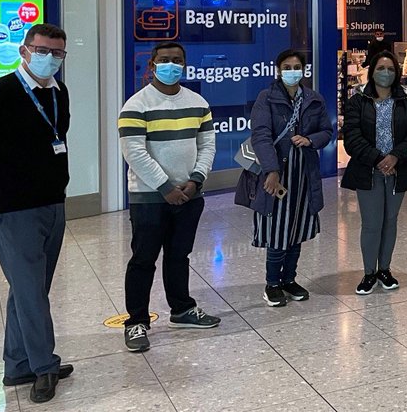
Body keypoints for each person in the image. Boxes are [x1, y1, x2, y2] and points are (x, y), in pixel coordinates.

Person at [0, 24, 74, 403]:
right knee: (31, 292)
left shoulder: (58, 93)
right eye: (43, 50)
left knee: (31, 289)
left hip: (53, 203)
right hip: (14, 210)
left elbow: (57, 138)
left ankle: (17, 364)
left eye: (58, 54)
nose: (50, 59)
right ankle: (43, 367)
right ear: (25, 50)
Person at [119, 41, 220, 353]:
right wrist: (165, 187)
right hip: (149, 197)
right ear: (152, 64)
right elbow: (134, 152)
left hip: (190, 195)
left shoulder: (198, 103)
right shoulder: (136, 105)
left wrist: (196, 180)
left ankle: (182, 309)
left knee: (179, 256)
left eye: (177, 60)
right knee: (143, 259)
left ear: (184, 65)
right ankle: (136, 321)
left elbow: (207, 146)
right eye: (164, 60)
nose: (171, 65)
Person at [243, 50, 333, 307]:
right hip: (278, 176)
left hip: (304, 176)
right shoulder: (266, 98)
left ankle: (289, 280)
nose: (292, 71)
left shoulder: (313, 99)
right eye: (287, 66)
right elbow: (260, 135)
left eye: (297, 66)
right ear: (278, 70)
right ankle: (272, 283)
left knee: (297, 230)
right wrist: (271, 170)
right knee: (277, 231)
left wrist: (310, 140)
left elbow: (326, 131)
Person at [342, 51, 407, 294]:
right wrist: (379, 159)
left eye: (390, 69)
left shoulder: (405, 99)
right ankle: (369, 273)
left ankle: (385, 270)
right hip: (369, 171)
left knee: (390, 221)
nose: (385, 73)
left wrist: (396, 156)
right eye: (381, 68)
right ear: (372, 70)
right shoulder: (358, 99)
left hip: (397, 171)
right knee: (371, 223)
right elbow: (352, 137)